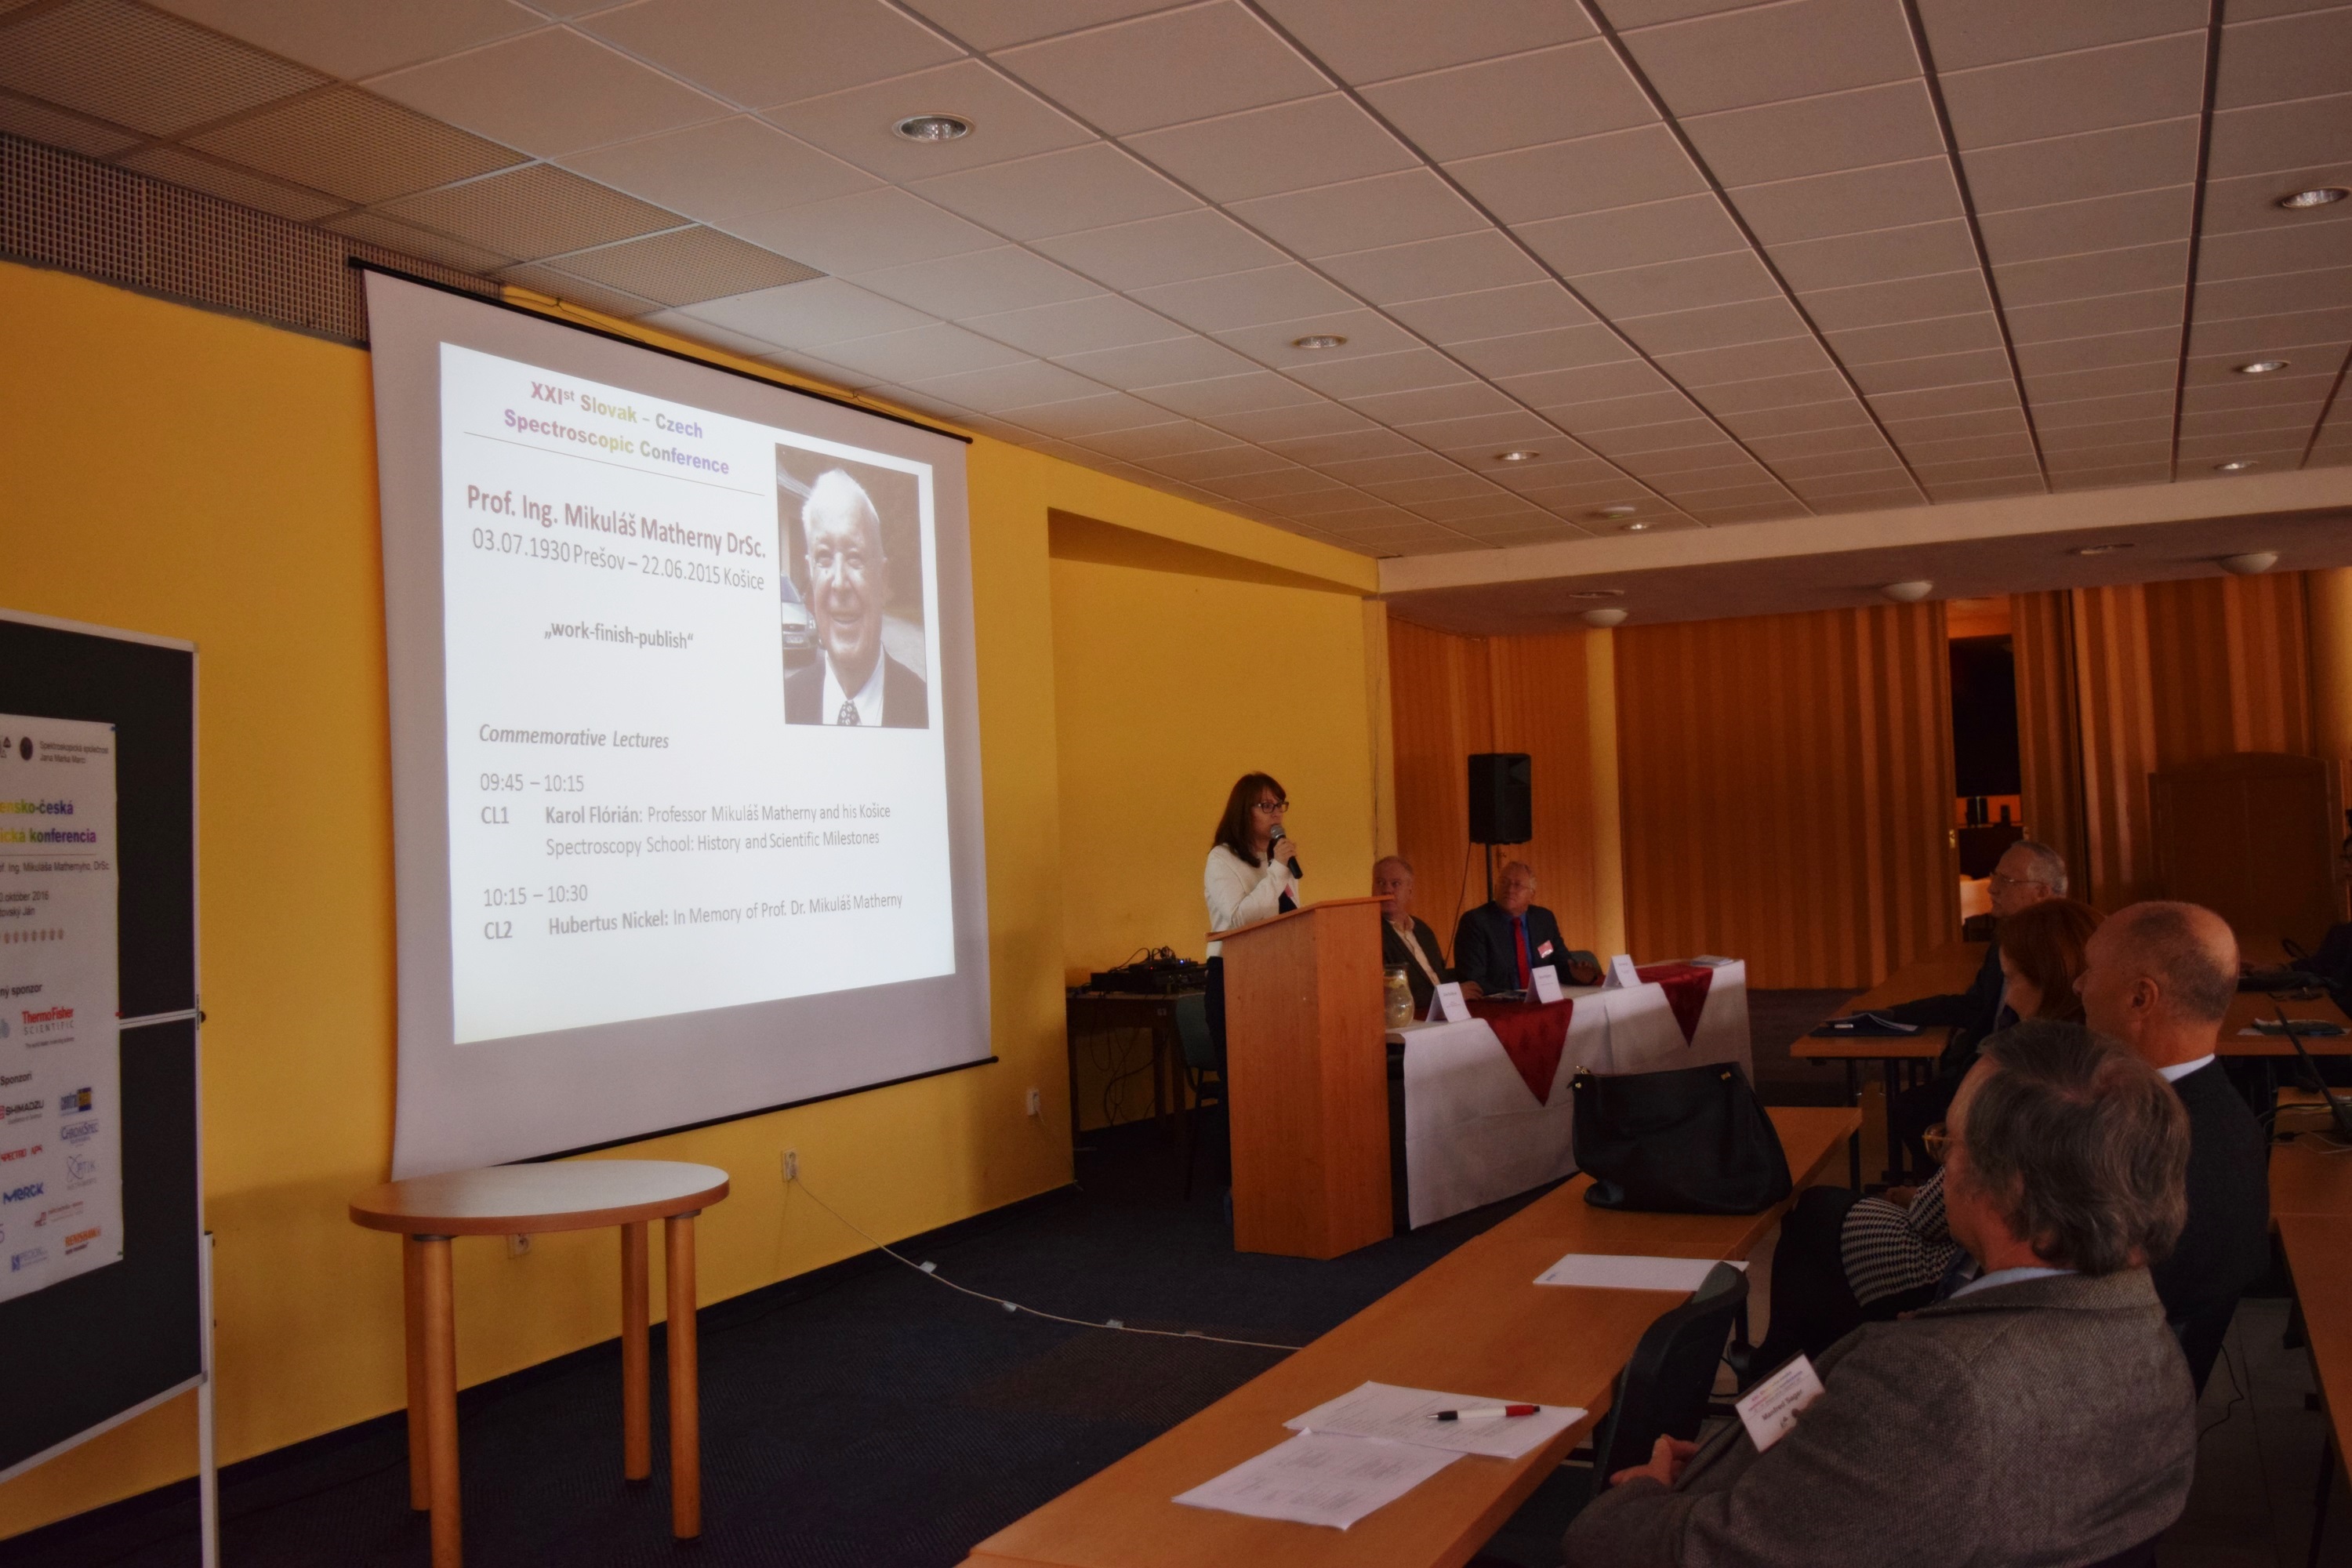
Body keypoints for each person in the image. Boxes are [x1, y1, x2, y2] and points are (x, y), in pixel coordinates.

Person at [1563, 1021, 2198, 1568]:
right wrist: (1772, 1464)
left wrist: (1641, 1496)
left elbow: (1691, 1555)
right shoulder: (2144, 1328)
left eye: (1948, 1144)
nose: (1940, 1166)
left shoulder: (1934, 1390)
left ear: (2009, 1187)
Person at [1744, 899, 2105, 1374]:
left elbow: (1933, 1220)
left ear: (2049, 980)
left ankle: (1784, 1370)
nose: (2010, 999)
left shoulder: (2027, 1073)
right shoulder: (2104, 1063)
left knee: (1816, 1217)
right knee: (1822, 1217)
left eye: (2013, 979)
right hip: (2022, 1257)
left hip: (1965, 1260)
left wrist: (1916, 1196)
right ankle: (1794, 1365)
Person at [2075, 900, 2270, 1392]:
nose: (2077, 985)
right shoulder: (2225, 1118)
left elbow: (2080, 1316)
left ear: (2141, 998)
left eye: (2090, 970)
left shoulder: (2145, 1146)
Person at [1882, 837, 2069, 1171]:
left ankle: (1950, 1191)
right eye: (1995, 876)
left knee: (1914, 1110)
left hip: (2023, 1081)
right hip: (1983, 1061)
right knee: (1911, 1106)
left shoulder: (2061, 950)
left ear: (2042, 892)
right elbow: (1975, 1004)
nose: (1992, 888)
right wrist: (1894, 1015)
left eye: (2006, 880)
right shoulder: (2005, 938)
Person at [782, 470, 927, 728]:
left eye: (855, 557)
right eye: (824, 557)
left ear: (883, 580)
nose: (839, 583)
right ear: (811, 576)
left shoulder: (927, 709)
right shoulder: (784, 704)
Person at [1202, 774, 1302, 1050]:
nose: (1277, 812)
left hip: (1277, 974)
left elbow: (1292, 918)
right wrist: (1278, 869)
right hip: (1234, 976)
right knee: (1241, 1069)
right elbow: (1239, 919)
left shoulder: (1278, 860)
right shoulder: (1221, 859)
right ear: (1243, 812)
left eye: (1280, 804)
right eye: (1266, 806)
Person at [1452, 861, 1599, 997]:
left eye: (1518, 885)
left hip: (1540, 1001)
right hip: (1501, 1004)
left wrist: (1578, 975)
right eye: (1504, 882)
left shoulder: (1544, 919)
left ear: (1531, 895)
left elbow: (1561, 963)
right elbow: (1474, 981)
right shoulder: (1476, 922)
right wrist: (1517, 997)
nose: (1510, 889)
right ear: (1496, 888)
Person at [1374, 855, 1461, 1017]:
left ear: (1410, 891)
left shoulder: (1422, 929)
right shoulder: (1371, 933)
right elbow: (1390, 995)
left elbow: (1437, 976)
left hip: (1442, 1012)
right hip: (1408, 1018)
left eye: (1395, 884)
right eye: (1380, 883)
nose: (1387, 890)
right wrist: (1452, 995)